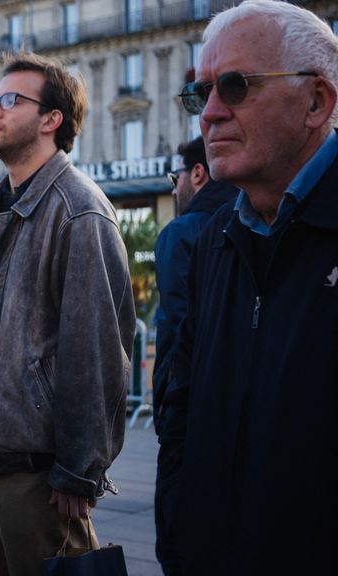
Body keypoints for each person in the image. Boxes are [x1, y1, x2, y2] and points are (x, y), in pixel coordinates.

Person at [0, 52, 135, 576]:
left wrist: (79, 469)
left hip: (38, 473)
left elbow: (95, 352)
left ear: (52, 120)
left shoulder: (79, 210)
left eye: (10, 100)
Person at [170, 2, 338, 573]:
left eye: (237, 86)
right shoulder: (213, 240)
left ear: (317, 101)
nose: (210, 113)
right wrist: (180, 535)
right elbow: (181, 406)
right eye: (200, 93)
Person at [150, 136, 237, 575]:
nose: (173, 188)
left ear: (197, 174)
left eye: (175, 178)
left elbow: (177, 334)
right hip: (241, 427)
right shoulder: (252, 216)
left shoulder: (182, 233)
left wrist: (167, 412)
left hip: (189, 426)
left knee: (179, 548)